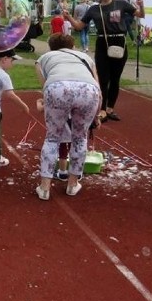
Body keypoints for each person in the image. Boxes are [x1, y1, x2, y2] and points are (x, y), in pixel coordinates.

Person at [64, 0, 143, 123]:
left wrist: (141, 6)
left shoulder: (121, 4)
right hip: (102, 43)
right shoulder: (94, 9)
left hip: (119, 42)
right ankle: (101, 110)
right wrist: (69, 17)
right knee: (103, 78)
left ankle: (110, 109)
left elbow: (140, 15)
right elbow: (79, 27)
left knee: (115, 78)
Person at [33, 34, 101, 200]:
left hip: (57, 88)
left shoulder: (43, 58)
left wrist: (46, 103)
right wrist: (96, 115)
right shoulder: (86, 57)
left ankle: (45, 187)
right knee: (79, 138)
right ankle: (72, 184)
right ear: (73, 46)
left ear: (51, 47)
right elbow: (97, 87)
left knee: (52, 138)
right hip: (88, 90)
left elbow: (45, 86)